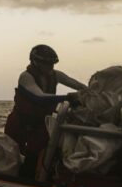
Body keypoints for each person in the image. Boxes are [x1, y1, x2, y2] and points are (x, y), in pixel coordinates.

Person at [5, 44, 87, 179]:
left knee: (40, 154)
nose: (51, 67)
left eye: (52, 64)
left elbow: (78, 85)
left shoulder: (56, 75)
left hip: (40, 125)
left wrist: (91, 92)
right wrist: (68, 97)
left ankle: (37, 180)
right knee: (14, 157)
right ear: (35, 62)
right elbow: (39, 97)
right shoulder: (26, 77)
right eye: (47, 64)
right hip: (20, 125)